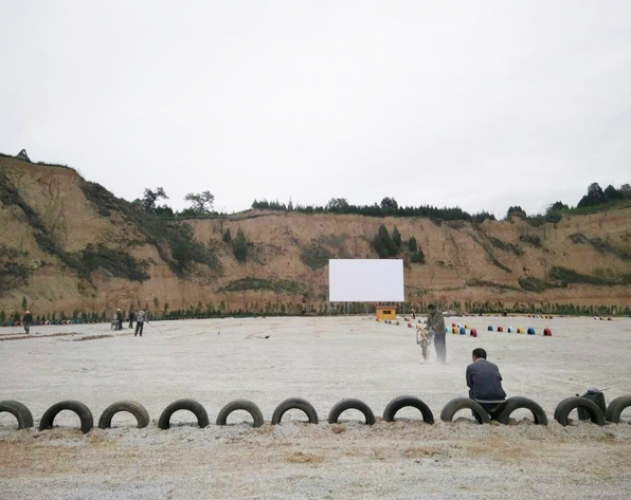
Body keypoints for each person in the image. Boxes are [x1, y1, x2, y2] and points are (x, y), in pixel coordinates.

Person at [466, 348, 506, 419]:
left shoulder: (471, 367)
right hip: (500, 400)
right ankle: (496, 415)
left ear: (474, 357)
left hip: (481, 400)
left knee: (471, 391)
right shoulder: (494, 366)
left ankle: (478, 416)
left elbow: (470, 384)